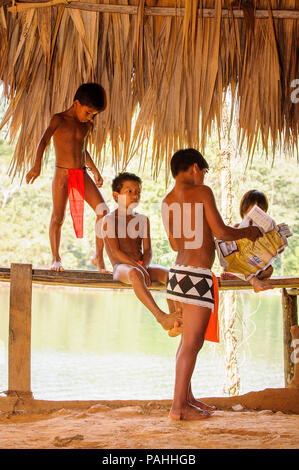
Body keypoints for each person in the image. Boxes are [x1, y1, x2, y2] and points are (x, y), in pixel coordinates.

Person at [162, 148, 262, 421]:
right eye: (204, 171)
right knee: (192, 344)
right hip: (196, 276)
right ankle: (178, 407)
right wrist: (248, 232)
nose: (204, 177)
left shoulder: (167, 201)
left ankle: (187, 399)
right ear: (195, 168)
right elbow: (220, 232)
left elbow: (174, 243)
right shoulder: (202, 193)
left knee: (186, 344)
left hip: (177, 274)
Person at [26, 83, 109, 272]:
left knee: (103, 212)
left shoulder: (87, 125)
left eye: (93, 115)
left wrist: (95, 169)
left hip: (81, 173)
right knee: (58, 217)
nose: (90, 118)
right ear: (76, 103)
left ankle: (98, 257)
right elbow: (44, 140)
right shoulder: (59, 119)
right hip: (62, 174)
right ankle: (56, 258)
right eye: (88, 112)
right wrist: (36, 166)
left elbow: (82, 149)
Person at [102, 172, 182, 332]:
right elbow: (116, 252)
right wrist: (139, 269)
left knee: (171, 274)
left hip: (141, 267)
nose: (135, 195)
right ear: (116, 195)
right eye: (129, 191)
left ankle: (176, 318)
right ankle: (162, 317)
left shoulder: (143, 220)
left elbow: (148, 250)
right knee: (134, 273)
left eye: (138, 192)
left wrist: (144, 267)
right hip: (122, 268)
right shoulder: (109, 220)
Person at [220, 189, 273, 292]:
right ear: (243, 213)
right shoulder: (237, 227)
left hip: (255, 263)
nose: (253, 220)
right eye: (250, 215)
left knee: (269, 270)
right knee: (233, 266)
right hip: (240, 263)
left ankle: (250, 277)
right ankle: (239, 276)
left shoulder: (264, 230)